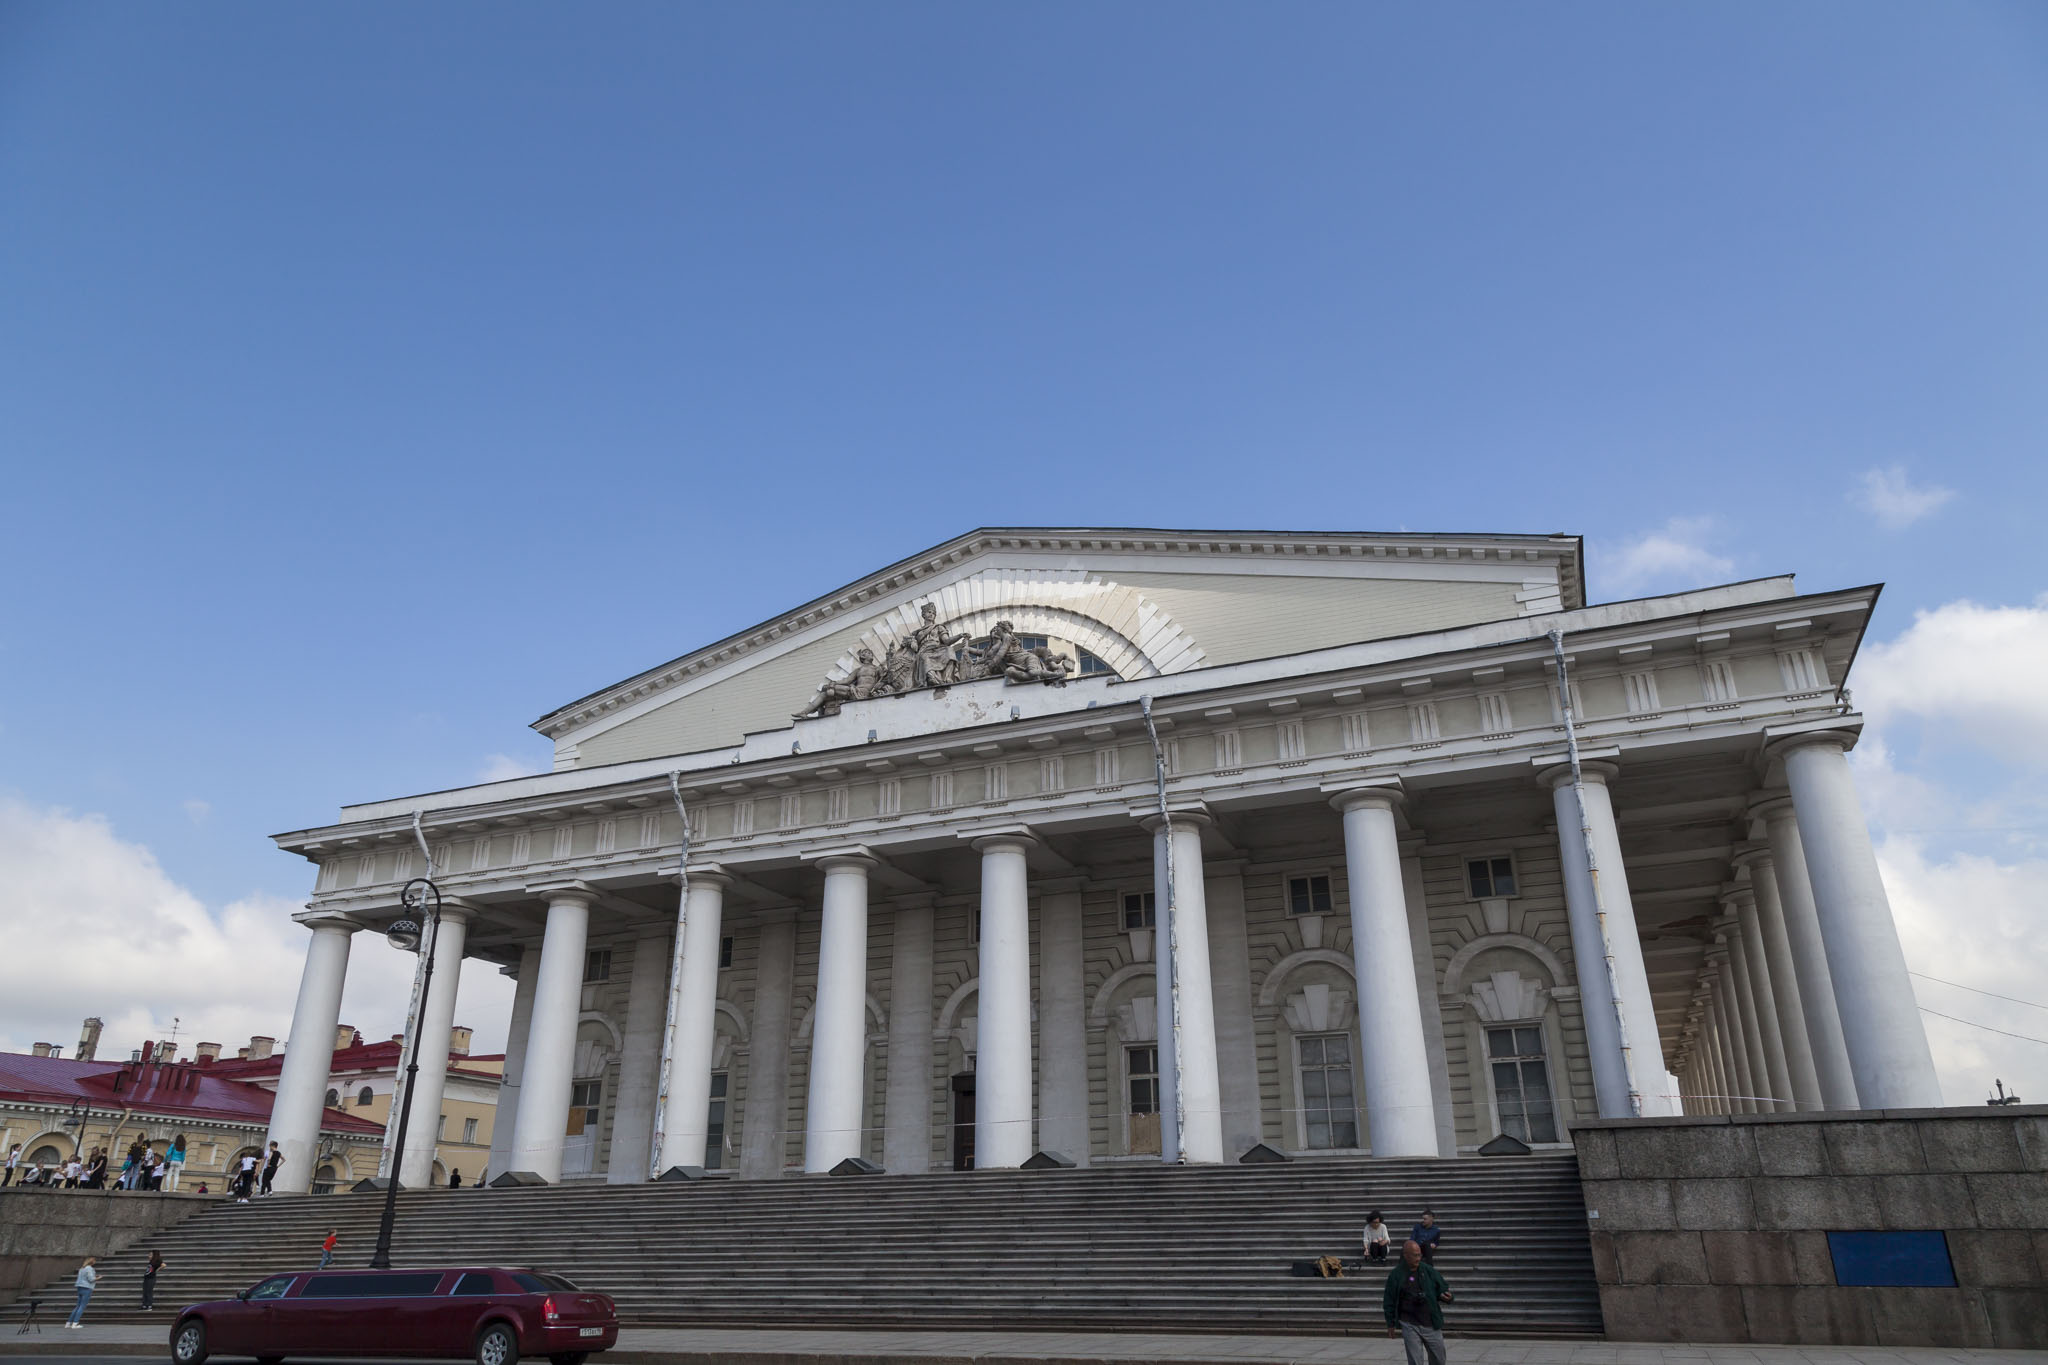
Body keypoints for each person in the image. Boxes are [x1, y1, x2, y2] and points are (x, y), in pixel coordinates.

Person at [1382, 1239, 1453, 1365]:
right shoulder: (1396, 1275)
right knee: (1415, 1361)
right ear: (1406, 1256)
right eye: (1415, 1255)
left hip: (1430, 1321)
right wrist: (1390, 1323)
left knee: (1439, 1359)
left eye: (1419, 1254)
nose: (1418, 1258)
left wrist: (1446, 1296)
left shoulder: (1428, 1270)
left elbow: (1442, 1287)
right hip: (1409, 1323)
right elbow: (1389, 1300)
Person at [65, 1256, 97, 1329]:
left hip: (79, 1287)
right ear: (92, 1262)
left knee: (78, 1306)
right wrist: (98, 1278)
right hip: (87, 1288)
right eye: (95, 1261)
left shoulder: (82, 1269)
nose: (95, 1262)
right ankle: (75, 1323)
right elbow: (91, 1279)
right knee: (82, 1306)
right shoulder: (89, 1269)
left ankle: (68, 1323)